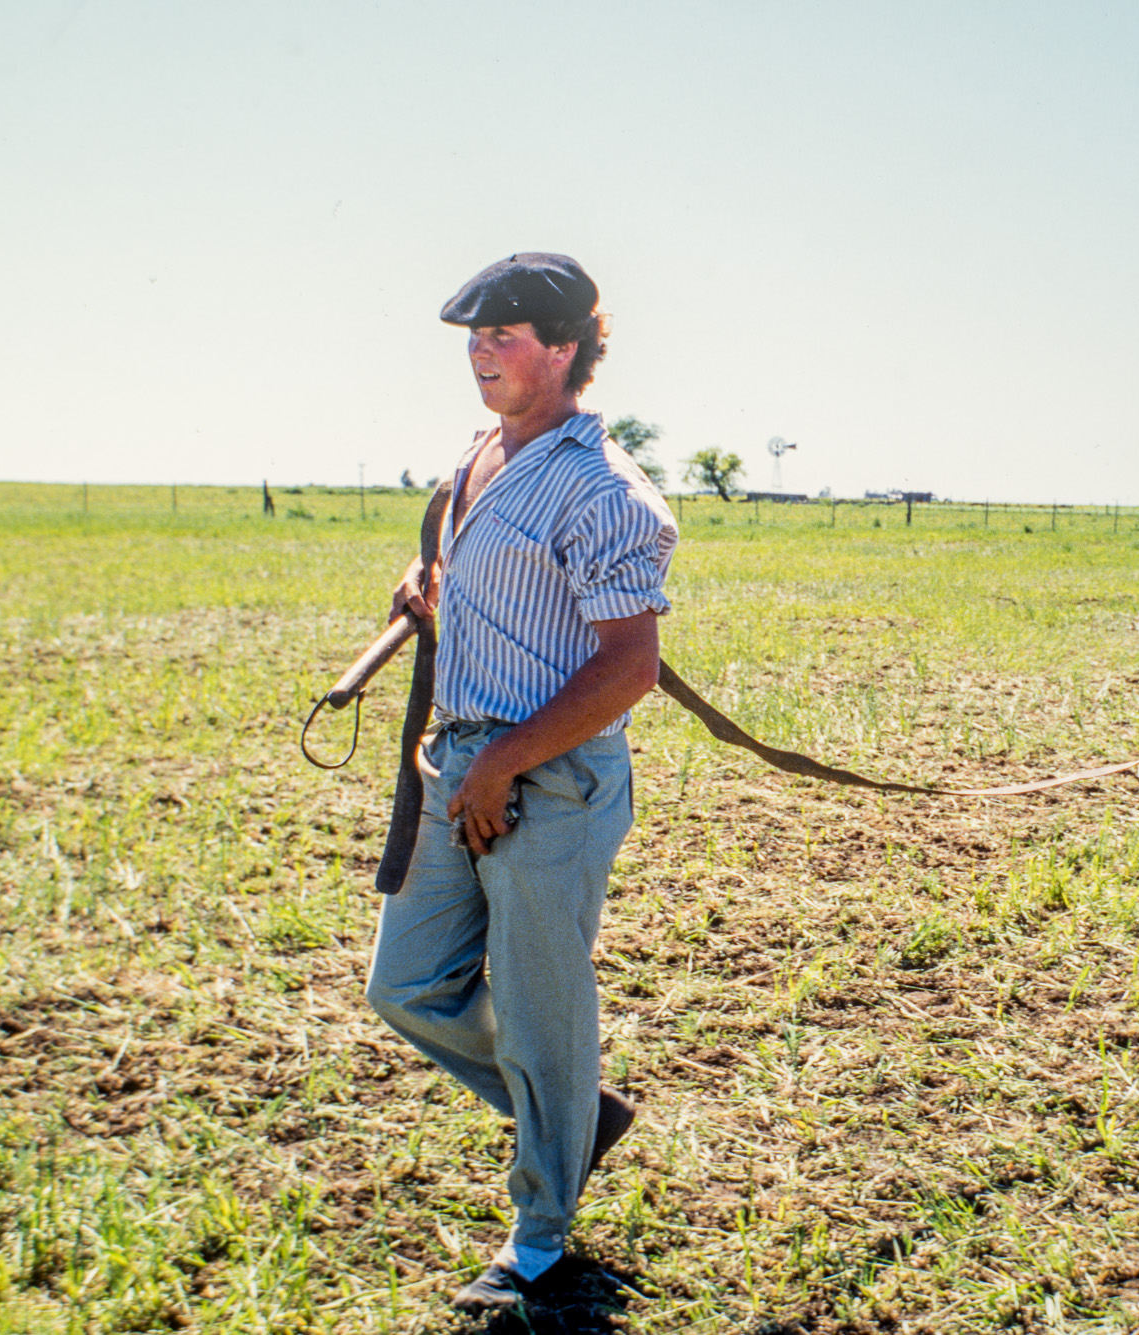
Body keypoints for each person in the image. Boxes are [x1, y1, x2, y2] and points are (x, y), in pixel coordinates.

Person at [363, 252, 678, 1313]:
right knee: (403, 987)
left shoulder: (605, 492)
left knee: (543, 1010)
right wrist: (429, 581)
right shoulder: (479, 456)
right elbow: (473, 565)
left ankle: (538, 1237)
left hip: (550, 778)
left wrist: (505, 761)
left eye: (504, 336)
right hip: (463, 759)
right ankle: (571, 1113)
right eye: (474, 337)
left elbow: (628, 667)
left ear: (566, 349)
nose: (480, 353)